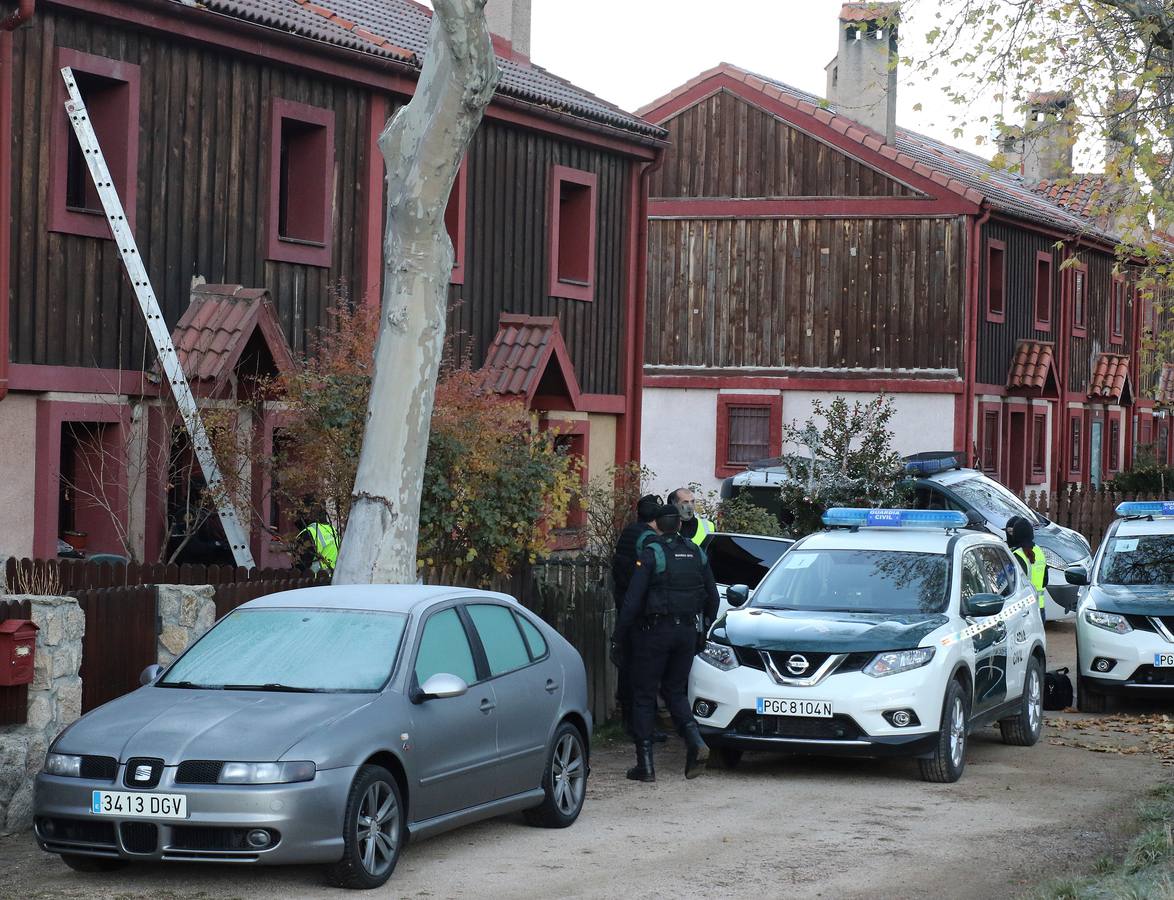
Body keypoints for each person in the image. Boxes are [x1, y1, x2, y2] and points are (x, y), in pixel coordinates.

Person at [611, 504, 719, 782]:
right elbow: (714, 597)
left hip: (655, 633)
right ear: (681, 526)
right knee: (675, 691)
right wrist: (703, 630)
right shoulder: (696, 553)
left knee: (644, 695)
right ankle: (694, 741)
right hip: (687, 633)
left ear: (658, 526)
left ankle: (644, 766)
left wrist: (619, 637)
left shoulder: (653, 553)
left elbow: (633, 601)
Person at [611, 494, 665, 740]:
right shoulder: (648, 539)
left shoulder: (628, 533)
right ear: (656, 517)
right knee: (644, 669)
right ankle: (643, 727)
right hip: (641, 612)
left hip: (624, 606)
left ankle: (627, 721)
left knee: (628, 664)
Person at [1006, 515, 1047, 622]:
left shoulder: (1016, 555)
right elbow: (1045, 581)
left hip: (1024, 611)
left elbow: (1009, 585)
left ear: (1016, 536)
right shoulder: (1039, 551)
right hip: (1040, 607)